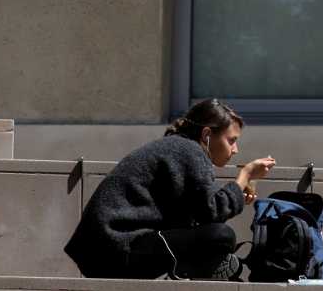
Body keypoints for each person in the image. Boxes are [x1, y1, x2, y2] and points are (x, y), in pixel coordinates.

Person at [65, 98, 275, 280]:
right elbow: (212, 213)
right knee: (222, 236)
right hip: (117, 248)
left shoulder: (179, 147)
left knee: (213, 237)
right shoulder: (190, 151)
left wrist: (235, 193)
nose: (235, 150)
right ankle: (200, 268)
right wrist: (244, 176)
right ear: (206, 135)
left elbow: (196, 216)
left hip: (102, 251)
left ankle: (205, 266)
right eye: (232, 141)